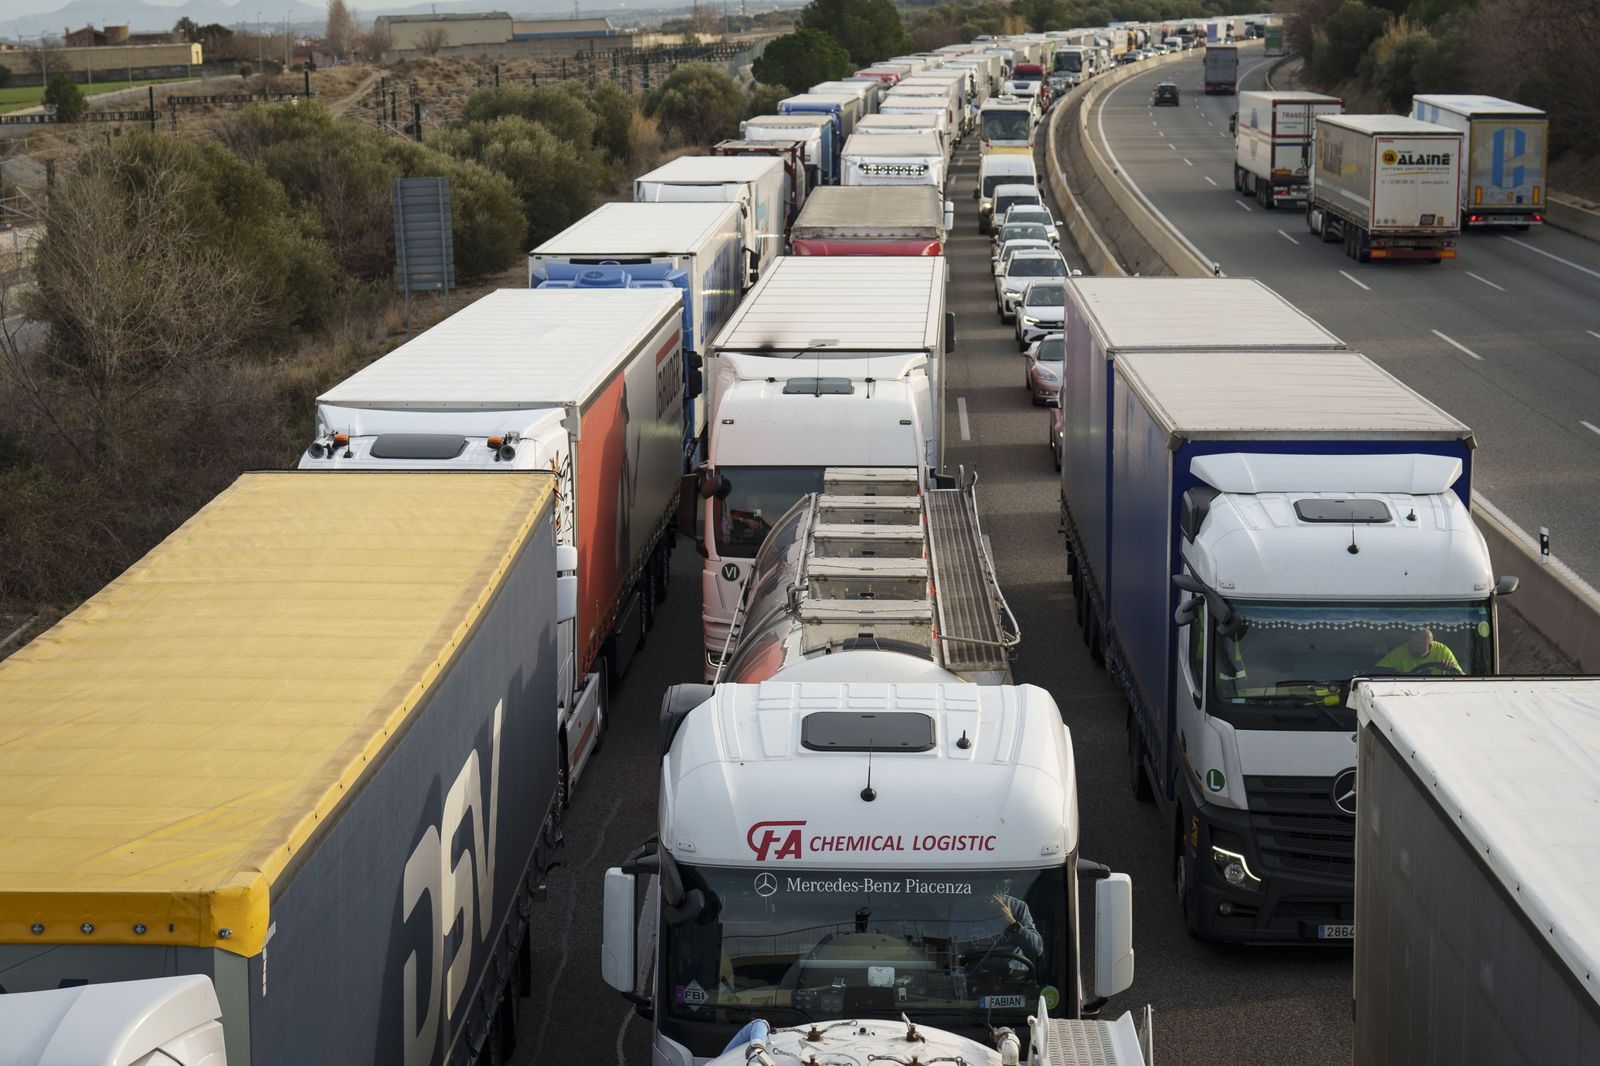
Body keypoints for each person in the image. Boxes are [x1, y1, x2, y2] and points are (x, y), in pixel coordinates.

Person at [1376, 627, 1462, 675]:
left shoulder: (1442, 651)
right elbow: (1378, 670)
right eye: (1413, 645)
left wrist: (1450, 669)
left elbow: (1461, 676)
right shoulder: (1401, 652)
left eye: (1419, 647)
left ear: (1430, 646)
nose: (1415, 649)